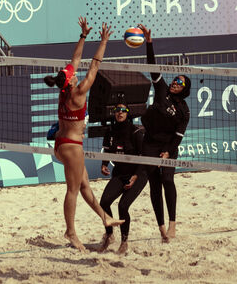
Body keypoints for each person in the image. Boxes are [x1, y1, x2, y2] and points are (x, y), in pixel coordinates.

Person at [44, 17, 121, 251]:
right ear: (70, 81)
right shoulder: (78, 94)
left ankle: (105, 218)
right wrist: (104, 41)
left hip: (61, 144)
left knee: (84, 184)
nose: (75, 72)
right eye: (73, 74)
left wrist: (84, 36)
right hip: (71, 146)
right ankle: (70, 231)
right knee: (73, 190)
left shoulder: (64, 89)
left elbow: (75, 59)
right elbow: (94, 66)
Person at [120, 24, 190, 243]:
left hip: (169, 146)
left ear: (185, 89)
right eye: (175, 79)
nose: (175, 83)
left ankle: (172, 224)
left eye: (180, 82)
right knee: (155, 185)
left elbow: (178, 136)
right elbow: (152, 66)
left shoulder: (184, 111)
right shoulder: (161, 91)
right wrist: (149, 43)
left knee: (168, 179)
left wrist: (168, 152)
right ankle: (161, 228)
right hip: (150, 142)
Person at [99, 102, 144, 255]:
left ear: (127, 113)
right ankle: (109, 235)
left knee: (123, 206)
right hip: (120, 173)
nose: (120, 112)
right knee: (104, 202)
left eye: (123, 110)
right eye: (117, 110)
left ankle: (124, 241)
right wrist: (104, 164)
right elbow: (106, 151)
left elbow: (143, 158)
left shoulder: (135, 131)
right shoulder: (110, 131)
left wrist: (135, 176)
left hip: (138, 174)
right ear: (114, 113)